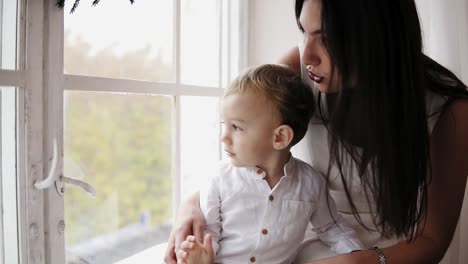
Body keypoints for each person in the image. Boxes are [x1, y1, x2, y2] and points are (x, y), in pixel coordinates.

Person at [165, 0, 468, 263]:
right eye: (304, 32)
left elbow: (432, 242)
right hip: (302, 249)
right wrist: (192, 206)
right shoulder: (296, 74)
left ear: (378, 37)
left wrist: (359, 262)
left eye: (328, 39)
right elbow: (249, 155)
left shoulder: (449, 111)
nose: (308, 54)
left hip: (388, 257)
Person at [175, 64, 364, 264]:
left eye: (236, 127)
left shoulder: (311, 183)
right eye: (225, 125)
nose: (224, 138)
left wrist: (357, 254)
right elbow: (209, 231)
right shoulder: (219, 179)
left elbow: (331, 228)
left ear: (280, 137)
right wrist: (202, 256)